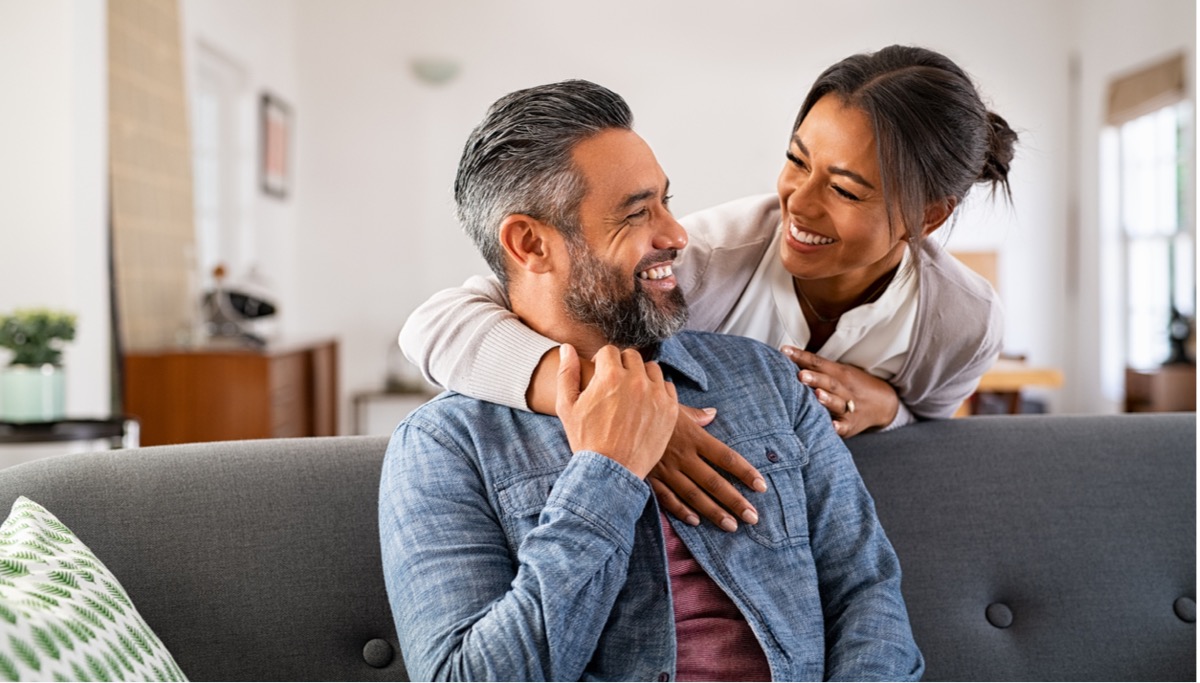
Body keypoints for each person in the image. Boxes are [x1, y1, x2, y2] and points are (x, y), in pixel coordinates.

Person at [379, 79, 922, 681]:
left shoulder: (767, 378)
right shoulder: (444, 446)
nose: (676, 234)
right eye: (638, 213)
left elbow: (867, 592)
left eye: (666, 201)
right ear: (530, 243)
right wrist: (605, 474)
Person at [399, 44, 1017, 532]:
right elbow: (436, 325)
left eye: (845, 189)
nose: (797, 203)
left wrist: (890, 410)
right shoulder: (706, 259)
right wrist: (624, 409)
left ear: (927, 216)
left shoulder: (962, 322)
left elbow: (932, 436)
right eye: (797, 160)